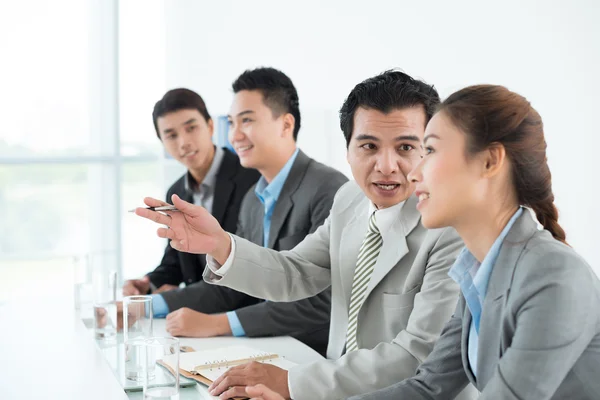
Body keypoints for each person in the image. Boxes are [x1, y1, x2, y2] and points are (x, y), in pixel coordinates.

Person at [136, 71, 477, 400]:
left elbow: (417, 356)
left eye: (405, 148)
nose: (386, 165)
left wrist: (293, 383)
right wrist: (221, 245)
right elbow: (296, 272)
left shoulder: (451, 229)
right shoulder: (349, 200)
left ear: (429, 150)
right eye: (369, 146)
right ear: (348, 151)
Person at [346, 85, 600, 399]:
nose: (414, 174)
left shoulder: (554, 274)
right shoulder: (476, 269)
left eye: (432, 151)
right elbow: (427, 388)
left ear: (490, 161)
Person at [148, 67, 347, 355]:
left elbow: (322, 302)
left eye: (247, 120)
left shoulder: (329, 189)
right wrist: (146, 305)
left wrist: (218, 324)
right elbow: (235, 285)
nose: (235, 135)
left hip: (313, 356)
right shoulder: (253, 201)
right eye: (231, 122)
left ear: (285, 125)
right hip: (264, 347)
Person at [123, 88, 260, 296]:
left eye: (191, 128)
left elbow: (249, 267)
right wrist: (148, 284)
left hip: (240, 314)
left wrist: (174, 299)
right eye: (171, 135)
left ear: (210, 126)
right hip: (197, 317)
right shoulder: (176, 192)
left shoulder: (251, 179)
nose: (183, 142)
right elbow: (175, 262)